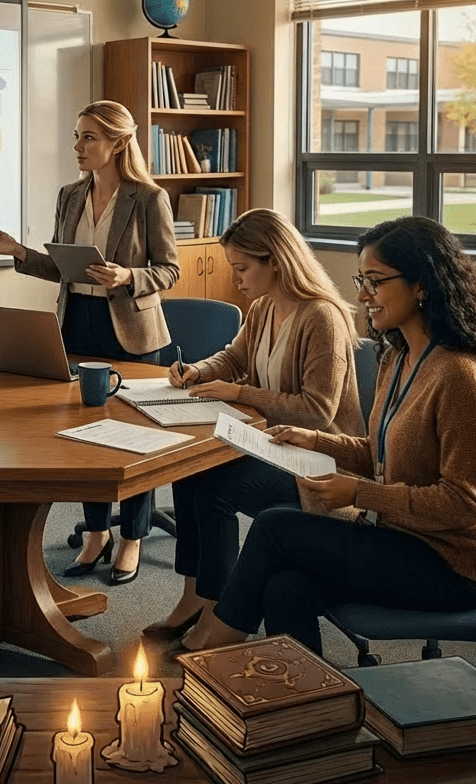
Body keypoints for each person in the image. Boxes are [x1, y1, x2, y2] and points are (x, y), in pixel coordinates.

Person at [195, 216, 476, 656]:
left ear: (421, 285)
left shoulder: (458, 376)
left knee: (273, 527)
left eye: (375, 281)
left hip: (449, 564)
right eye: (362, 281)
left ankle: (208, 659)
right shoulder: (396, 358)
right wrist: (317, 441)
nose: (362, 295)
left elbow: (461, 503)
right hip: (396, 536)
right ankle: (302, 696)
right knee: (285, 587)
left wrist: (360, 492)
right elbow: (378, 452)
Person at [0, 99, 179, 584]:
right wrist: (19, 252)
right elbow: (63, 268)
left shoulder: (149, 198)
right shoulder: (70, 195)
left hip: (131, 329)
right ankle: (97, 532)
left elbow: (170, 270)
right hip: (77, 323)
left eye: (89, 137)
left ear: (118, 143)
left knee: (134, 437)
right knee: (87, 435)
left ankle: (132, 537)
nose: (78, 146)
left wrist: (128, 276)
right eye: (77, 135)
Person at [142, 208, 365, 649]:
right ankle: (194, 594)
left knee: (215, 490)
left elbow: (318, 411)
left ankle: (217, 609)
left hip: (319, 463)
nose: (236, 279)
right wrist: (198, 372)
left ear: (276, 261)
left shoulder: (322, 318)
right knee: (189, 473)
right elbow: (233, 358)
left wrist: (240, 392)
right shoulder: (264, 308)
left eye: (242, 268)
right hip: (273, 446)